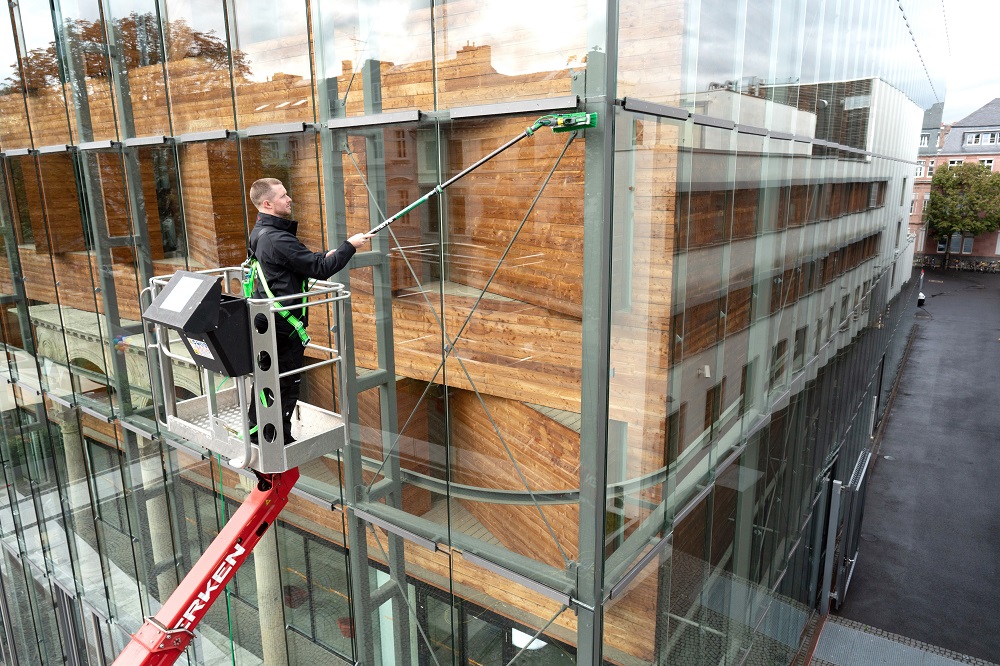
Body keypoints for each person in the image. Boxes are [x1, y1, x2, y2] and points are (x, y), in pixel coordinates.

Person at [246, 177, 372, 443]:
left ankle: (259, 430)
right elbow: (319, 269)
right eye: (282, 195)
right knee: (285, 382)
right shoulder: (276, 238)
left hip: (270, 320)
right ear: (267, 203)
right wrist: (350, 246)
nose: (289, 198)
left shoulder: (262, 232)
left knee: (268, 379)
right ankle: (276, 437)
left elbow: (302, 261)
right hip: (283, 325)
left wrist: (331, 252)